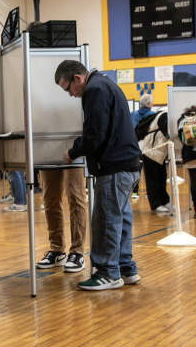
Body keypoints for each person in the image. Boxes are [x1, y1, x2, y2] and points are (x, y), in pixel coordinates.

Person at [56, 60, 141, 290]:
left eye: (68, 89)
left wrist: (73, 152)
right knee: (121, 220)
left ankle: (107, 272)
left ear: (77, 79)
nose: (71, 95)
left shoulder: (94, 90)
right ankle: (126, 268)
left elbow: (96, 134)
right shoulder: (106, 84)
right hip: (128, 164)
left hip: (113, 166)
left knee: (106, 220)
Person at [34, 167, 88, 272]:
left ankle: (77, 252)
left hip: (72, 152)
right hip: (47, 153)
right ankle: (57, 250)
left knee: (75, 195)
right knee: (50, 199)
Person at [136, 109, 173, 215]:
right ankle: (156, 204)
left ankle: (165, 201)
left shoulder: (163, 114)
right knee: (153, 179)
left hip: (157, 152)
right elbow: (168, 134)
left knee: (161, 177)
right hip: (150, 152)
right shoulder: (164, 116)